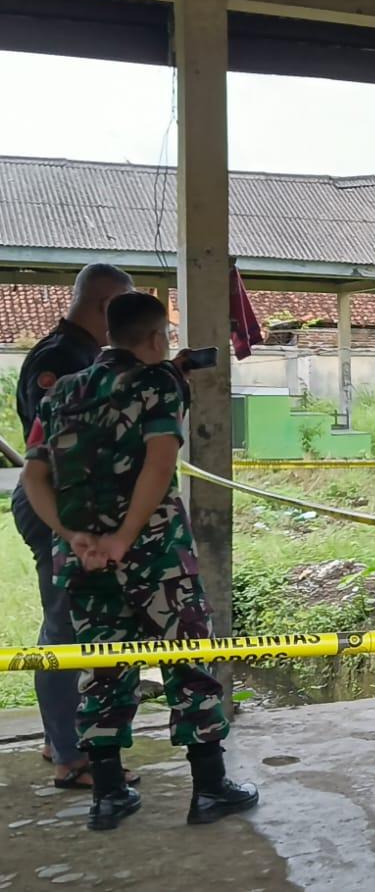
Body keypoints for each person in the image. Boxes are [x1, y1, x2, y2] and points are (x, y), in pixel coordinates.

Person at [21, 292, 259, 831]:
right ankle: (209, 788)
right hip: (155, 557)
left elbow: (35, 476)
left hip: (83, 561)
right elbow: (158, 463)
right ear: (156, 338)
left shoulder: (60, 394)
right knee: (190, 663)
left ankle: (108, 795)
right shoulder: (157, 385)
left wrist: (75, 536)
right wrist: (125, 537)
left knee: (103, 669)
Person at [8, 263, 142, 793]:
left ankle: (59, 739)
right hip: (60, 505)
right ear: (106, 306)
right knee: (65, 626)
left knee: (70, 623)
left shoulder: (77, 353)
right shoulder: (62, 360)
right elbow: (66, 444)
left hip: (72, 504)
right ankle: (70, 755)